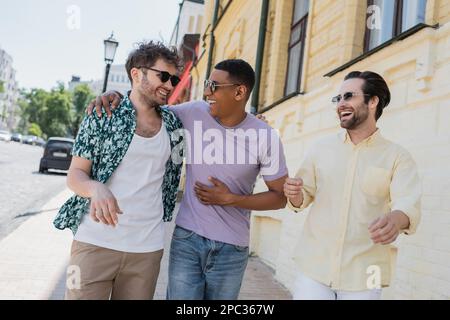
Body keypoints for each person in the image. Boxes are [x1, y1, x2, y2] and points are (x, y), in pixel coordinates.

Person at [89, 59, 289, 300]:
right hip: (188, 240)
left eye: (214, 86)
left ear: (239, 92)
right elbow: (146, 108)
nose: (207, 92)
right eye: (207, 84)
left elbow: (279, 198)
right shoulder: (193, 112)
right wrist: (117, 95)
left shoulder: (265, 136)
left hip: (232, 248)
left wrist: (232, 199)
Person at [53, 41, 184, 299]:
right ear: (137, 74)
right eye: (163, 76)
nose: (170, 85)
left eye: (174, 79)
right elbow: (75, 174)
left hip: (147, 249)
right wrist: (95, 188)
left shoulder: (174, 124)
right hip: (93, 243)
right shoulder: (102, 114)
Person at [283, 71, 421, 300]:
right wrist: (294, 193)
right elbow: (301, 199)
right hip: (314, 266)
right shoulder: (320, 148)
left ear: (373, 101)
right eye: (338, 99)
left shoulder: (398, 157)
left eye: (349, 96)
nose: (341, 104)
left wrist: (395, 220)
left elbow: (408, 203)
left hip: (367, 272)